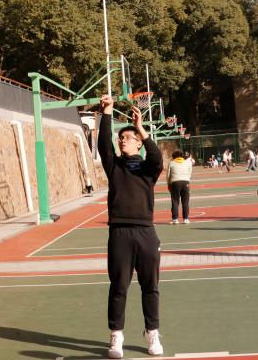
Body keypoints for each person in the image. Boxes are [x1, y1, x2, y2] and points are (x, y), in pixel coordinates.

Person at [97, 95, 164, 358]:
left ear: (138, 142)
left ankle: (152, 332)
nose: (122, 140)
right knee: (119, 286)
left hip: (146, 231)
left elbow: (157, 158)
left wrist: (140, 128)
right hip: (120, 232)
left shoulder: (148, 168)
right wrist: (107, 112)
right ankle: (116, 336)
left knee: (150, 287)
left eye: (128, 137)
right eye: (120, 138)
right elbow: (104, 145)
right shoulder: (114, 166)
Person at [167, 149, 192, 224]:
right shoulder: (187, 163)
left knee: (175, 201)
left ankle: (175, 219)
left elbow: (168, 176)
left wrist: (169, 184)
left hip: (175, 183)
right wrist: (187, 181)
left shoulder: (171, 163)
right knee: (185, 201)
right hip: (186, 182)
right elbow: (190, 172)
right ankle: (186, 219)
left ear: (173, 157)